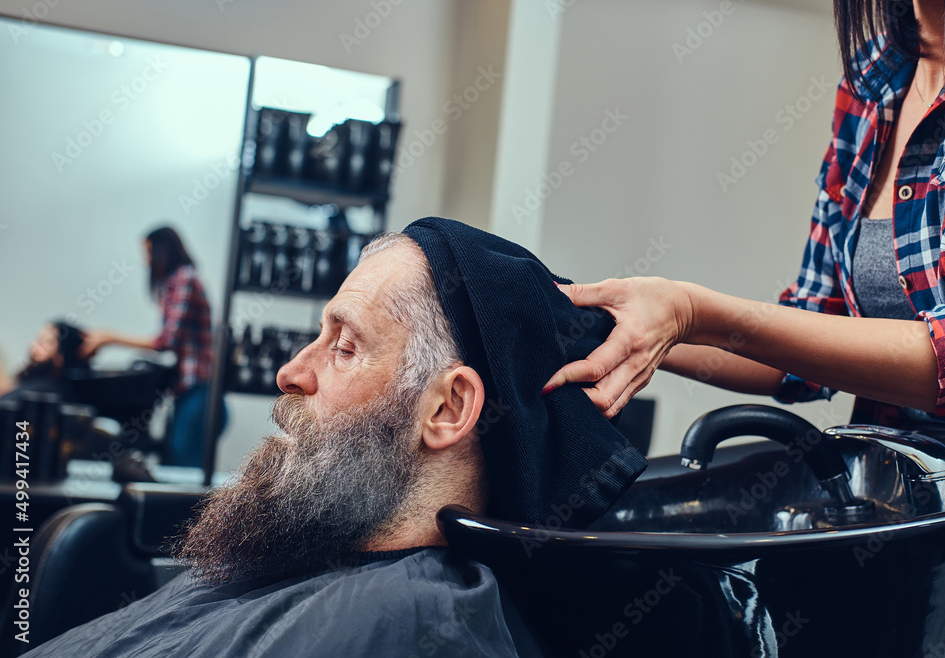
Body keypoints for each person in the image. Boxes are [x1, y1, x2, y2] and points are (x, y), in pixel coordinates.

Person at [23, 218, 646, 657]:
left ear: (448, 409)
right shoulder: (297, 555)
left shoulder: (409, 628)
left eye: (344, 347)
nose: (290, 372)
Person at [545, 0, 945, 431]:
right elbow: (816, 328)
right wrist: (616, 323)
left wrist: (692, 312)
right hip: (898, 491)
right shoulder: (872, 80)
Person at [80, 226, 224, 466]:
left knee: (183, 467)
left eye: (147, 253)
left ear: (162, 250)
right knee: (176, 461)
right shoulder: (174, 283)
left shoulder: (185, 278)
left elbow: (166, 341)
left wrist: (110, 338)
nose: (145, 262)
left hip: (201, 391)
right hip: (189, 391)